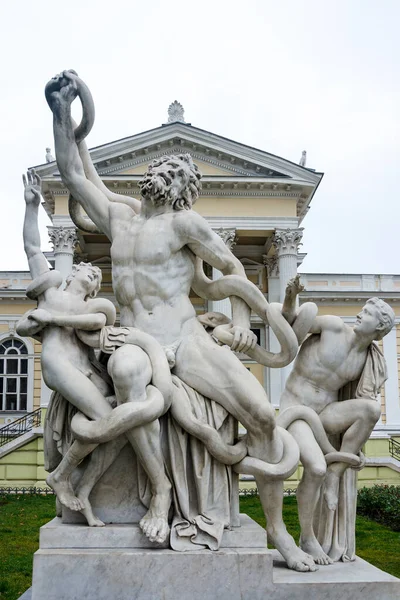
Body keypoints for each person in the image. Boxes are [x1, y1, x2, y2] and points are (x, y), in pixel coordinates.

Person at [44, 69, 317, 572]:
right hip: (135, 339)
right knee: (127, 372)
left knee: (259, 413)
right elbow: (74, 174)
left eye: (174, 171)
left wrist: (236, 319)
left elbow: (232, 269)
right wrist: (61, 112)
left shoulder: (184, 223)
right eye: (165, 166)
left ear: (182, 188)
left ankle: (279, 531)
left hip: (186, 338)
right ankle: (161, 493)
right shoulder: (120, 221)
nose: (165, 172)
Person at [280, 276, 394, 564]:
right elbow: (292, 324)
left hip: (326, 415)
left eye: (366, 314)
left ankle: (337, 471)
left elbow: (362, 400)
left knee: (371, 409)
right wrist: (291, 296)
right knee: (316, 468)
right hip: (297, 409)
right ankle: (307, 537)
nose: (358, 314)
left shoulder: (366, 358)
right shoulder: (331, 326)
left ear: (378, 329)